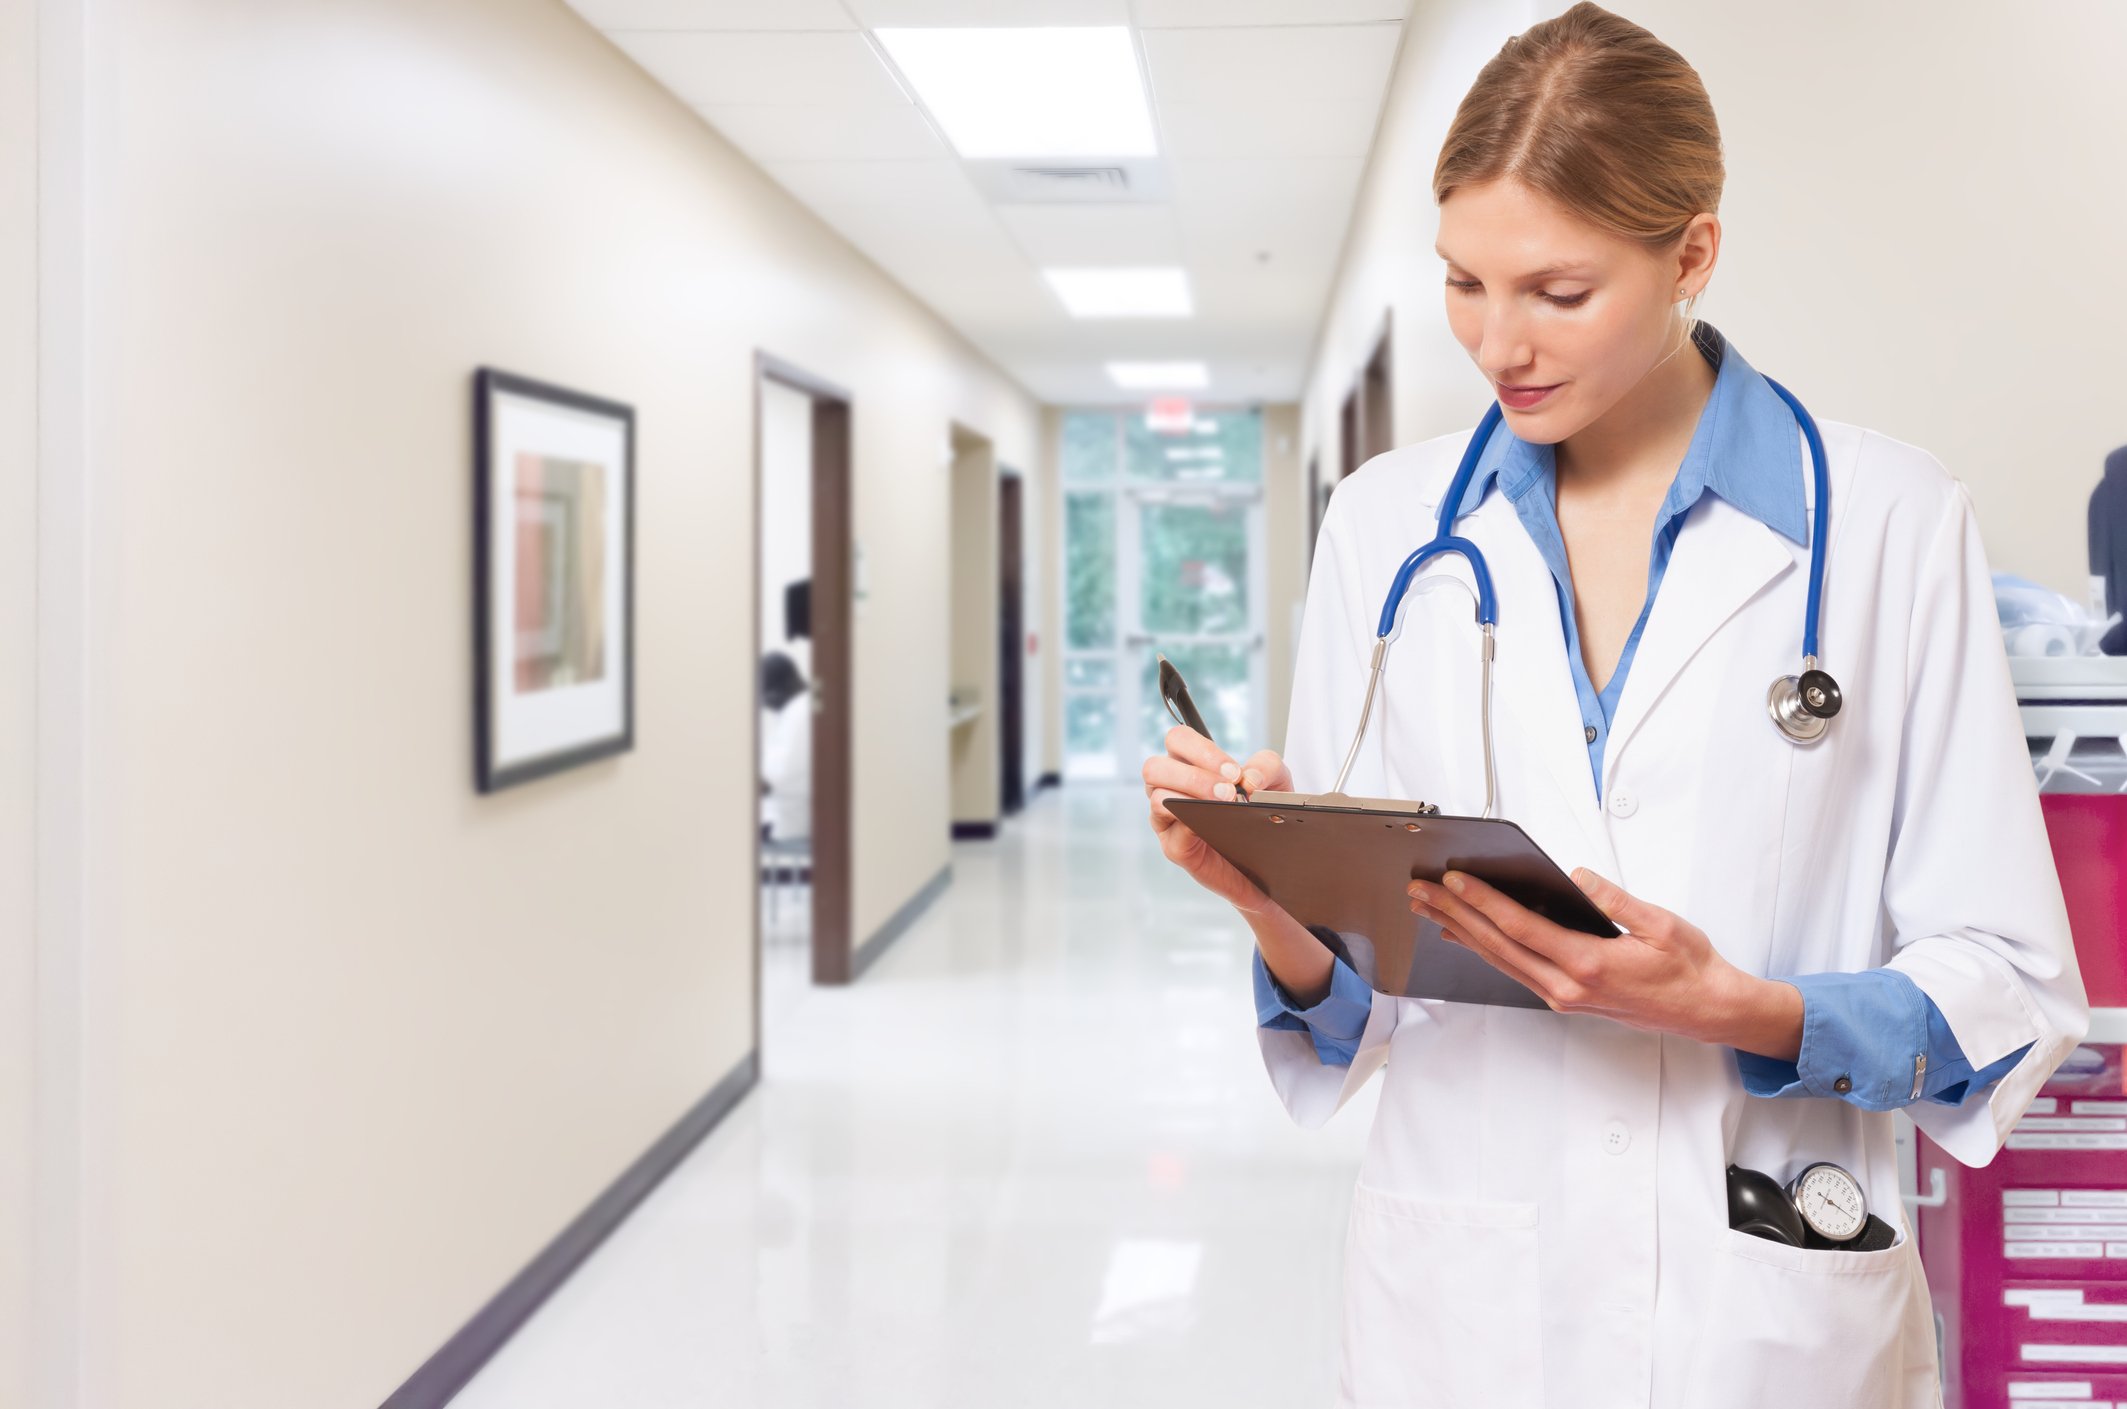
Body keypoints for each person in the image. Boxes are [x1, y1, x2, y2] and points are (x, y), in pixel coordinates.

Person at [1141, 7, 2087, 1407]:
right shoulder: (1384, 528)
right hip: (1462, 1303)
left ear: (1689, 254)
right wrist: (1269, 896)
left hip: (1765, 1312)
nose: (1493, 342)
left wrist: (1743, 1007)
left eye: (1554, 291)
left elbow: (2008, 980)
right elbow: (1359, 1008)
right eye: (1463, 281)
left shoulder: (1882, 520)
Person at [760, 652, 811, 843]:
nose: (764, 705)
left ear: (776, 691)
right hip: (787, 823)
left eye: (763, 697)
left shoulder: (800, 713)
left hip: (790, 828)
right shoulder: (798, 709)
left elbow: (774, 776)